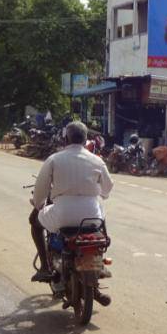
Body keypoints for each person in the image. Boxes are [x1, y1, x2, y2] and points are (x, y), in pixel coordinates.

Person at [29, 121, 113, 295]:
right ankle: (99, 262)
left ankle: (45, 267)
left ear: (66, 138)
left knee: (34, 221)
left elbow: (40, 189)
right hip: (92, 216)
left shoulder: (55, 159)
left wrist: (38, 205)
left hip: (63, 214)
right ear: (85, 140)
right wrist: (100, 195)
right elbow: (107, 188)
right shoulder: (97, 160)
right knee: (101, 227)